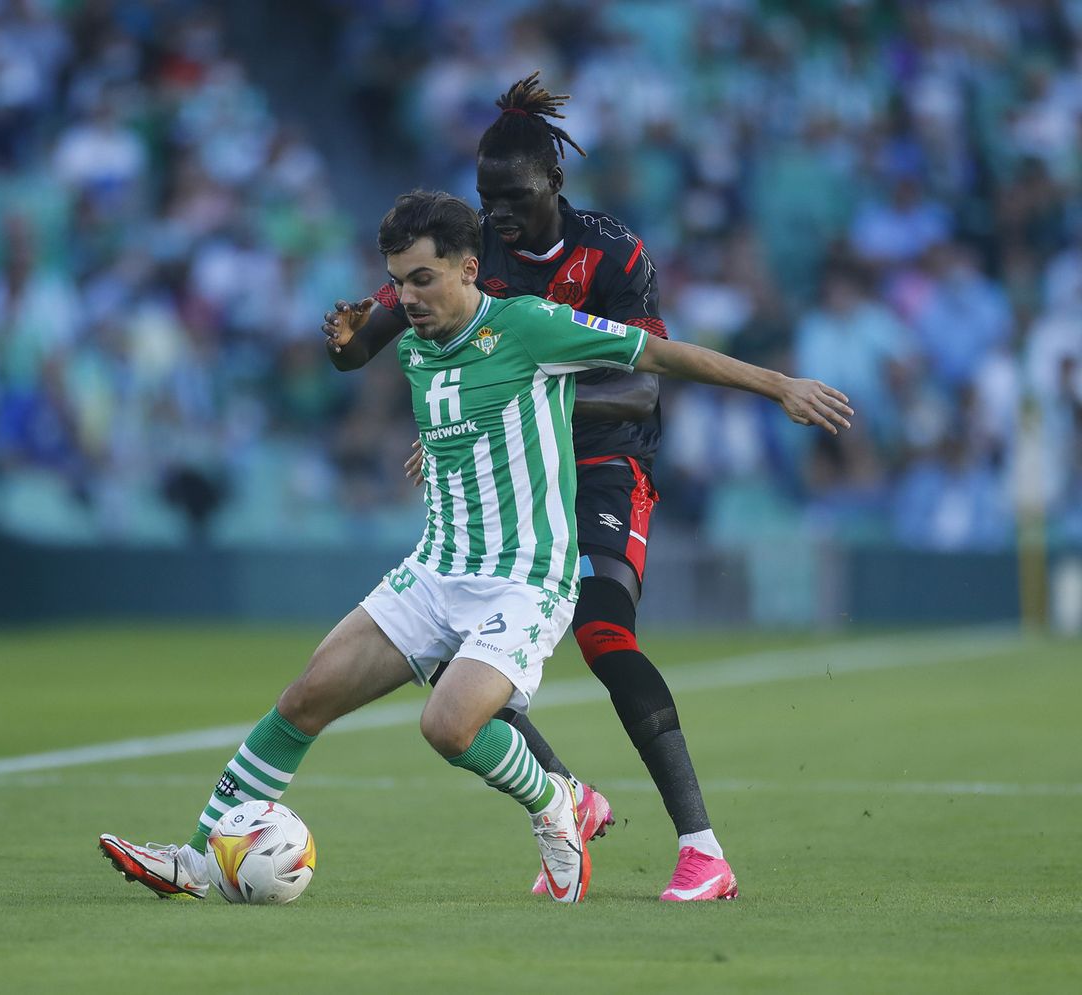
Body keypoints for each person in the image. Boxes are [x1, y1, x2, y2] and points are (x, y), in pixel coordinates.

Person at [101, 190, 850, 902]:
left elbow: (662, 359)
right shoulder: (419, 342)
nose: (409, 298)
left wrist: (778, 383)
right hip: (434, 571)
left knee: (448, 725)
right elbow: (444, 396)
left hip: (524, 581)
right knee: (303, 698)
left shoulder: (529, 324)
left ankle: (554, 800)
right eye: (398, 283)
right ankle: (199, 857)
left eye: (423, 279)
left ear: (468, 267)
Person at [323, 73, 743, 901]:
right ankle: (568, 797)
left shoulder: (616, 254)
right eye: (486, 196)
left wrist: (513, 398)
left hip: (603, 462)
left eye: (512, 195)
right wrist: (341, 340)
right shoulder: (473, 250)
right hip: (504, 476)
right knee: (453, 658)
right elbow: (367, 338)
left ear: (553, 181)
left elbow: (642, 388)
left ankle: (703, 849)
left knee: (603, 634)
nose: (498, 212)